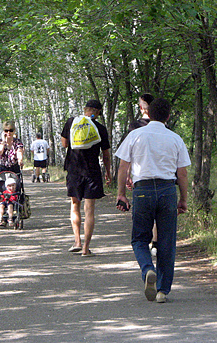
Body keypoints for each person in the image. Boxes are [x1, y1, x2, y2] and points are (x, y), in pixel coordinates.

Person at [115, 98, 190, 303]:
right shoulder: (175, 138)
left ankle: (148, 269)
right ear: (168, 116)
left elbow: (123, 167)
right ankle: (162, 291)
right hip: (167, 190)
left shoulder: (135, 135)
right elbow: (182, 173)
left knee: (139, 238)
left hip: (142, 190)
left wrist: (121, 193)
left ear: (148, 114)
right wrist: (183, 199)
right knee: (166, 242)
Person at [61, 99, 112, 257]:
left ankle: (77, 241)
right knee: (89, 210)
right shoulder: (100, 128)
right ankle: (86, 249)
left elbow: (64, 144)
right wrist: (108, 173)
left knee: (75, 205)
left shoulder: (71, 122)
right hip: (92, 172)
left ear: (85, 109)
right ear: (98, 112)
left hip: (74, 170)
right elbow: (106, 155)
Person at [127, 93, 158, 257]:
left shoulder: (136, 126)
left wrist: (128, 173)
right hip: (160, 173)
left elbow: (131, 153)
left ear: (141, 107)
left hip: (141, 173)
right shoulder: (162, 126)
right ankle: (156, 242)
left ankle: (144, 243)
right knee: (157, 211)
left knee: (144, 210)